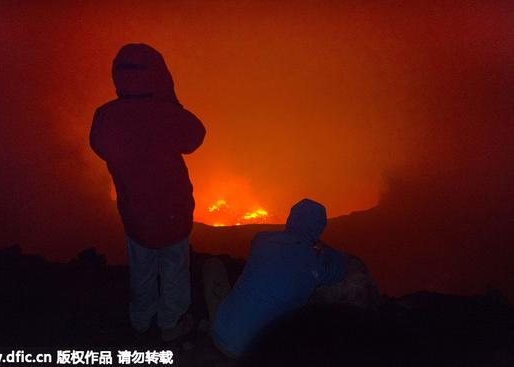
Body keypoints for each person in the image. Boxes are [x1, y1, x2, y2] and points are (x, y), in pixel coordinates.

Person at [90, 43, 205, 341]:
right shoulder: (166, 115)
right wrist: (167, 98)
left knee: (141, 270)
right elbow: (195, 135)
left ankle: (140, 320)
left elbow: (100, 145)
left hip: (135, 213)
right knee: (174, 271)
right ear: (159, 74)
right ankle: (171, 323)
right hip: (173, 213)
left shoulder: (105, 117)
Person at [203, 198, 348, 358]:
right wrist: (318, 247)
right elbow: (341, 267)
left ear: (290, 219)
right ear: (319, 229)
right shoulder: (315, 262)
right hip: (258, 352)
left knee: (213, 265)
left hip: (222, 334)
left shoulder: (262, 239)